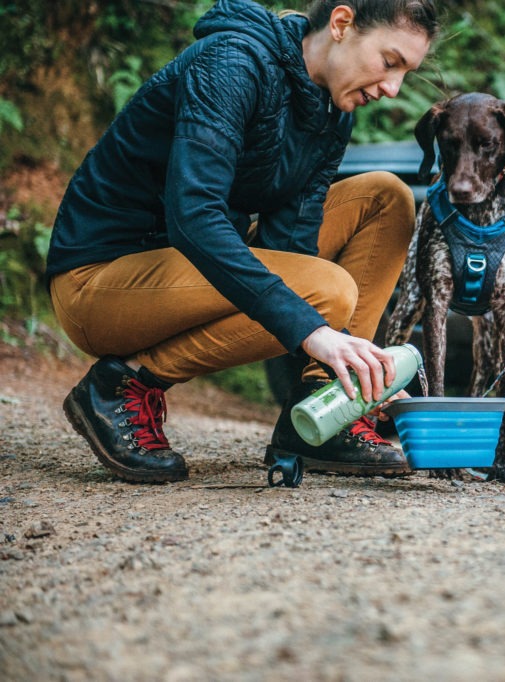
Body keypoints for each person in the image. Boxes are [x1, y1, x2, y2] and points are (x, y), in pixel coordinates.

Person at [47, 0, 439, 484]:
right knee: (326, 290)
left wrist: (351, 371)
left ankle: (325, 406)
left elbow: (289, 244)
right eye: (389, 62)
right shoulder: (233, 63)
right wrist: (315, 331)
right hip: (101, 284)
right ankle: (122, 382)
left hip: (185, 271)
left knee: (386, 199)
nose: (393, 88)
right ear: (341, 24)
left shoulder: (330, 107)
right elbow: (194, 217)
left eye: (407, 73)